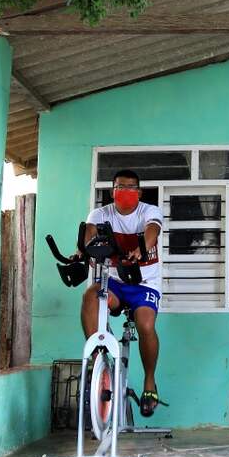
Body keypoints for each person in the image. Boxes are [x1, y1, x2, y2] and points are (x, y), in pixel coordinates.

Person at [81, 169, 165, 417]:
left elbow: (152, 230)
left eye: (131, 187)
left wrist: (142, 248)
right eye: (120, 187)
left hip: (144, 283)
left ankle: (150, 381)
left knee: (145, 324)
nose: (125, 191)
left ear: (139, 192)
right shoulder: (100, 214)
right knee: (90, 296)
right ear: (112, 191)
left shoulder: (149, 211)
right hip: (115, 281)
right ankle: (98, 358)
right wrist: (85, 250)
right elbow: (89, 234)